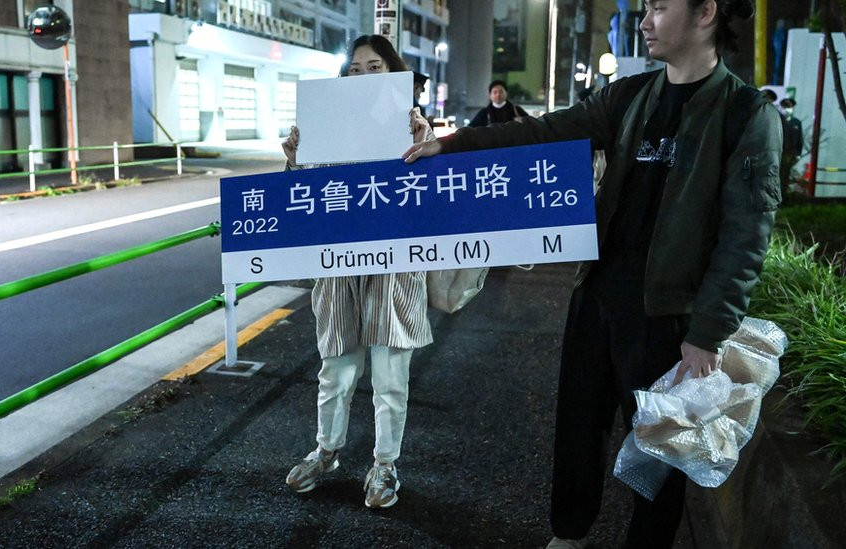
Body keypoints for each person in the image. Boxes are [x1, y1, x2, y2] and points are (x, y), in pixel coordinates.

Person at [403, 0, 779, 546]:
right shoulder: (629, 97)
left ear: (706, 14)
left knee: (660, 450)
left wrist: (708, 333)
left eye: (659, 8)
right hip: (597, 297)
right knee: (577, 427)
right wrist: (452, 143)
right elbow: (545, 133)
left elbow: (745, 238)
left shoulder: (746, 114)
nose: (646, 21)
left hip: (668, 320)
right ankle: (569, 534)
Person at [282, 34, 433, 510]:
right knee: (336, 370)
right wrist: (293, 159)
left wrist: (426, 143)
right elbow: (302, 197)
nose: (362, 75)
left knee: (391, 376)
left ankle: (385, 464)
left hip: (395, 266)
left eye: (375, 67)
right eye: (354, 68)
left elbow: (432, 195)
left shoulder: (413, 127)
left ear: (394, 73)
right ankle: (326, 452)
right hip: (340, 265)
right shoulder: (324, 125)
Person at [778, 97, 803, 184]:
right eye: (785, 107)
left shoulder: (796, 122)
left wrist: (798, 154)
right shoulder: (777, 121)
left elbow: (799, 139)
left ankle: (784, 195)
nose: (787, 109)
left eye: (789, 107)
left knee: (785, 176)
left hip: (790, 154)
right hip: (778, 152)